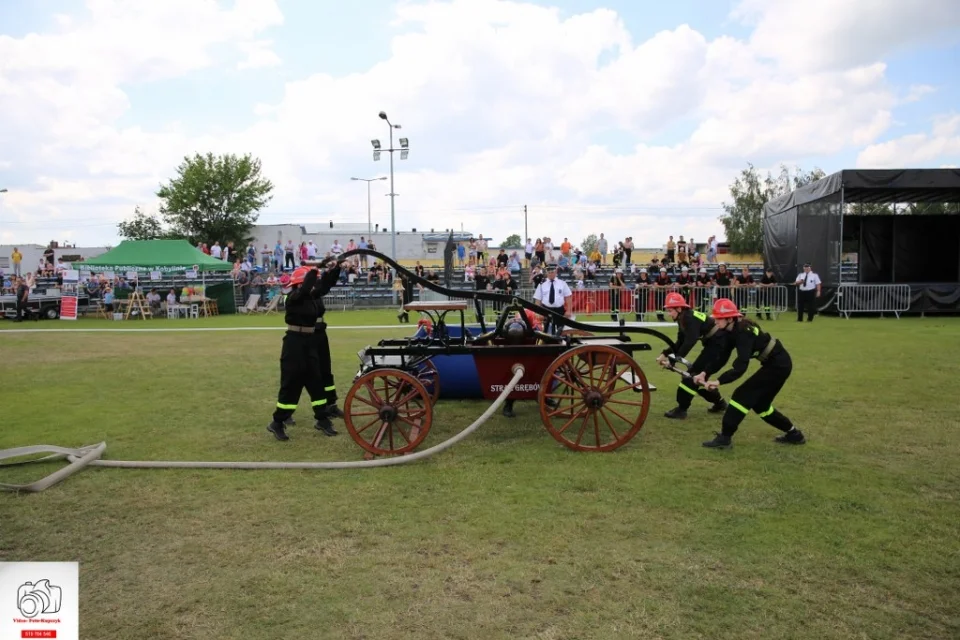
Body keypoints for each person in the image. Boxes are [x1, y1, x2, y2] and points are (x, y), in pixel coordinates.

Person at [693, 298, 806, 449]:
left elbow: (741, 366)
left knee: (741, 395)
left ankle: (725, 438)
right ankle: (794, 434)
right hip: (775, 363)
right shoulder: (730, 330)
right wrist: (704, 373)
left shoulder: (743, 332)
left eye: (719, 318)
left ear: (729, 318)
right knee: (761, 406)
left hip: (778, 365)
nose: (716, 322)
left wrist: (719, 381)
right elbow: (722, 357)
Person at [266, 266, 332, 441]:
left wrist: (334, 270)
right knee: (291, 385)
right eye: (310, 282)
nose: (313, 286)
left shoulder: (310, 296)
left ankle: (322, 419)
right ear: (301, 283)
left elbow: (325, 286)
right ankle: (277, 423)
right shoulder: (293, 296)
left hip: (309, 342)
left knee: (316, 381)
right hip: (294, 344)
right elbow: (305, 289)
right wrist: (313, 272)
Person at [656, 293, 729, 419]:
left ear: (679, 309)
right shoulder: (682, 318)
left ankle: (681, 410)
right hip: (714, 343)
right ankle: (720, 403)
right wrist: (665, 353)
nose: (668, 314)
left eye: (670, 310)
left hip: (718, 344)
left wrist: (673, 360)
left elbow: (690, 341)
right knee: (700, 377)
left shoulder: (688, 318)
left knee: (692, 376)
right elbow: (680, 342)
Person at [306, 261, 344, 435]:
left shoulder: (316, 291)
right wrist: (327, 271)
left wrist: (336, 269)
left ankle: (331, 405)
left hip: (320, 333)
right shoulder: (303, 293)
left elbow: (326, 284)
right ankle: (288, 414)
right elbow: (323, 285)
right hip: (308, 336)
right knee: (307, 374)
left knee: (326, 372)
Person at [533, 265, 572, 334]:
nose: (551, 274)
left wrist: (569, 311)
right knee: (546, 332)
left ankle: (560, 344)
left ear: (556, 272)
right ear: (547, 273)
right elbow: (538, 300)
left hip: (559, 310)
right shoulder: (542, 284)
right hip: (546, 310)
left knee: (561, 332)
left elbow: (568, 297)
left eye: (552, 272)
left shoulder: (562, 283)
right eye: (549, 272)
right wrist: (538, 312)